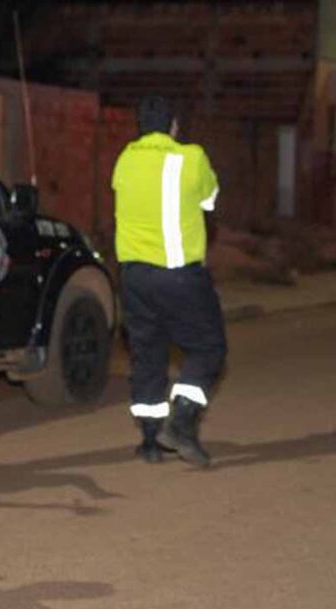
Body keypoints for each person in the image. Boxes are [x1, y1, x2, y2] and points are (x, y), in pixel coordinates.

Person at [112, 96, 226, 467]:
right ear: (174, 126)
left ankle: (149, 442)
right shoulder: (190, 157)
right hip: (178, 273)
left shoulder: (125, 160)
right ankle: (181, 420)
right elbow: (209, 199)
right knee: (208, 346)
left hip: (133, 275)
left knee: (148, 354)